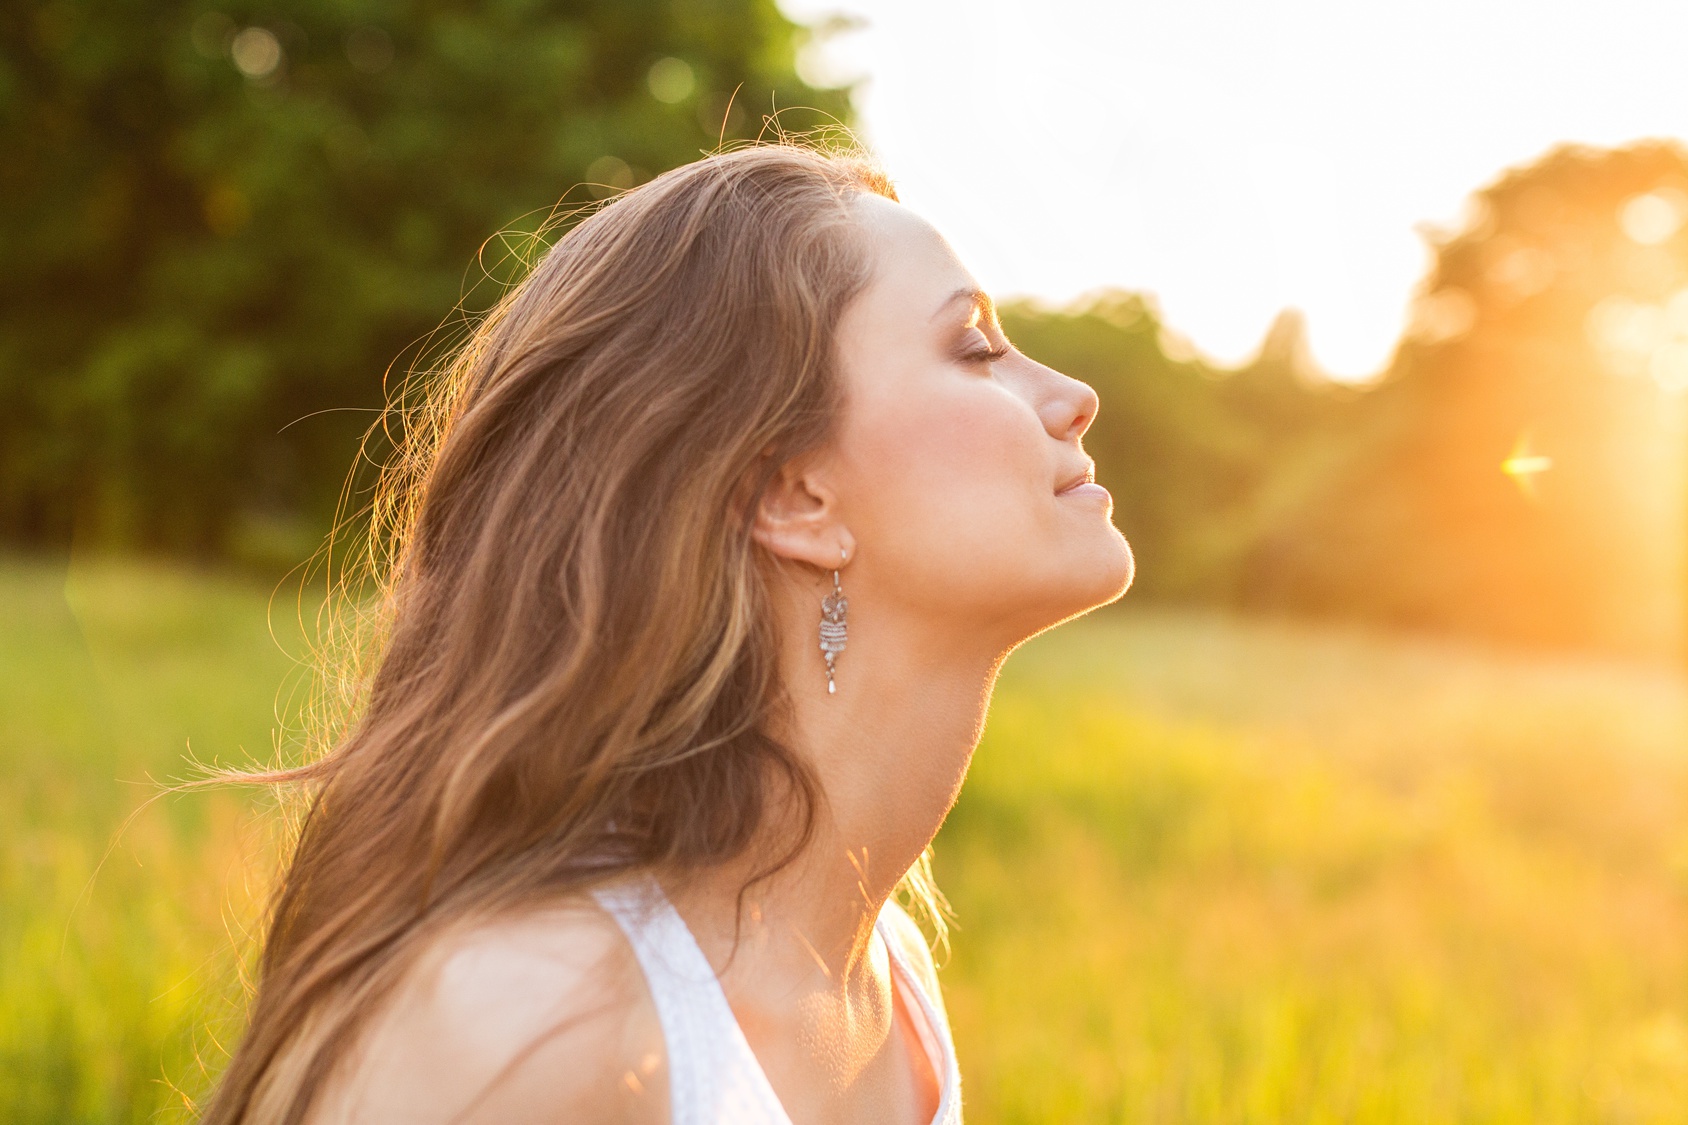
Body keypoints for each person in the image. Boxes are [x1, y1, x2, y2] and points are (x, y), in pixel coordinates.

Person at [201, 141, 1133, 1125]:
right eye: (975, 347)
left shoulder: (889, 982)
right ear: (793, 494)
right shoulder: (523, 1022)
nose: (1073, 399)